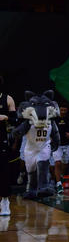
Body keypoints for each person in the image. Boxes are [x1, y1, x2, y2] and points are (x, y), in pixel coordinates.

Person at [52, 105, 69, 193]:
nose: (63, 111)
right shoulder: (54, 118)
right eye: (61, 109)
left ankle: (62, 176)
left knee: (65, 163)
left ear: (67, 110)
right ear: (59, 110)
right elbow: (49, 128)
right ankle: (59, 183)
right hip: (57, 145)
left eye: (65, 109)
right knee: (57, 162)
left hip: (67, 145)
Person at [0, 79, 16, 216]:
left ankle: (5, 201)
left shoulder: (8, 99)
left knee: (4, 170)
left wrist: (5, 117)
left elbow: (16, 120)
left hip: (1, 139)